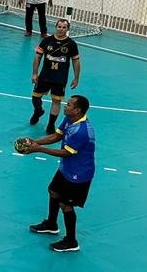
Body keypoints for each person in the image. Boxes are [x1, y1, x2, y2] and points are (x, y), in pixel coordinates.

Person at [23, 95, 96, 253]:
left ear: (77, 110)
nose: (65, 106)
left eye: (69, 105)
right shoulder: (70, 119)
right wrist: (36, 141)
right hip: (67, 168)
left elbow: (66, 153)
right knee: (53, 191)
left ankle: (71, 241)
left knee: (66, 204)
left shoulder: (82, 130)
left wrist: (39, 149)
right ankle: (51, 224)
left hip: (79, 173)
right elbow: (57, 136)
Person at [30, 18, 81, 133]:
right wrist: (34, 73)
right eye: (59, 27)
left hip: (60, 78)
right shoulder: (46, 40)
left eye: (64, 27)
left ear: (67, 29)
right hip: (45, 76)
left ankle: (51, 124)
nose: (61, 29)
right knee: (35, 97)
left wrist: (76, 78)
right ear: (55, 27)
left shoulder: (71, 44)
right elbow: (38, 57)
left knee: (56, 101)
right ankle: (38, 111)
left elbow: (76, 61)